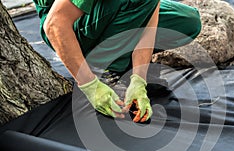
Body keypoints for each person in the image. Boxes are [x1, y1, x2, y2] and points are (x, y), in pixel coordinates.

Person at [32, 0, 201, 123]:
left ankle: (122, 64)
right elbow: (54, 26)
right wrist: (90, 85)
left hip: (99, 11)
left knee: (187, 21)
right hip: (69, 25)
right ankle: (103, 69)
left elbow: (149, 25)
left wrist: (139, 79)